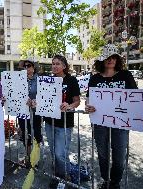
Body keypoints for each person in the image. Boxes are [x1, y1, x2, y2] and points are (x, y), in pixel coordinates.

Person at [85, 44, 143, 189]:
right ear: (102, 60)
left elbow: (138, 98)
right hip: (100, 123)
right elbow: (89, 100)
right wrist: (88, 107)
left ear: (117, 59)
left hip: (121, 123)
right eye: (108, 57)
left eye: (114, 57)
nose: (111, 60)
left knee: (119, 155)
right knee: (102, 154)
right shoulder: (94, 78)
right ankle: (105, 180)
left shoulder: (125, 75)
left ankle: (115, 182)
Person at [44, 55, 81, 186]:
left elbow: (77, 101)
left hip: (64, 124)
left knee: (61, 153)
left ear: (64, 66)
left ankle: (65, 176)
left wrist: (69, 106)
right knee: (54, 152)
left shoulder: (71, 80)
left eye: (58, 63)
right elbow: (43, 99)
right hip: (49, 122)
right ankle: (58, 175)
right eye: (53, 64)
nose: (54, 66)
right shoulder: (48, 80)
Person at [17, 59, 43, 166]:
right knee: (25, 134)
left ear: (34, 68)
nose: (26, 68)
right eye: (25, 66)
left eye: (29, 66)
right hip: (23, 112)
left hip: (36, 112)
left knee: (36, 134)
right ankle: (28, 157)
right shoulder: (19, 80)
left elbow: (44, 95)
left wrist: (36, 101)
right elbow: (15, 94)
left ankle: (35, 159)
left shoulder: (40, 80)